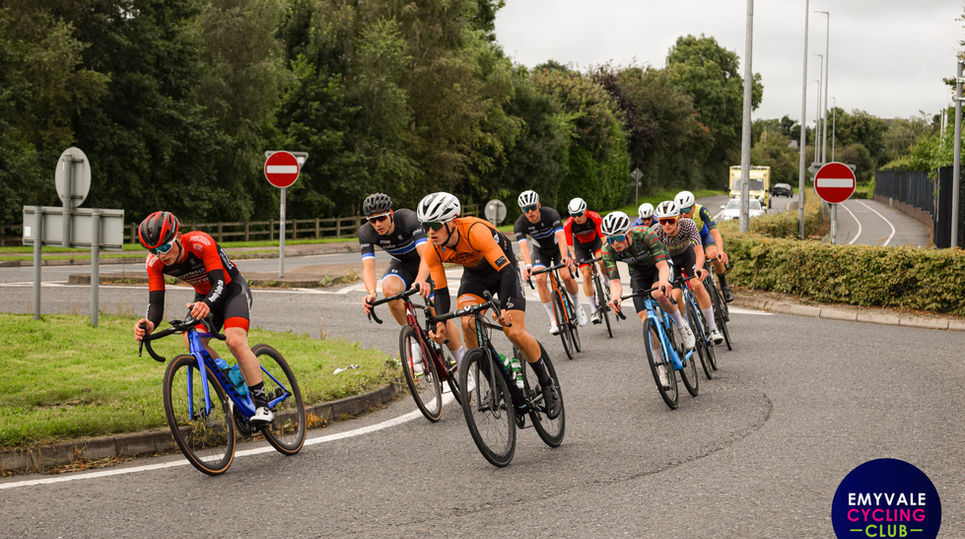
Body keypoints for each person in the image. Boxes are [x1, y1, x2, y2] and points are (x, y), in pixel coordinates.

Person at [412, 192, 561, 418]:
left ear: (453, 221)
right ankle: (496, 384)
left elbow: (507, 270)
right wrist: (440, 323)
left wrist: (504, 309)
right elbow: (440, 290)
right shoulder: (433, 248)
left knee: (514, 332)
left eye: (435, 225)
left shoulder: (475, 231)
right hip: (475, 277)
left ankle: (547, 383)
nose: (430, 232)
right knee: (467, 323)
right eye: (425, 226)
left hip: (504, 272)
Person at [132, 211, 274, 425]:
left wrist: (206, 304)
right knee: (191, 339)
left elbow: (219, 283)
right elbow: (156, 302)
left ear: (178, 238)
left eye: (165, 247)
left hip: (231, 290)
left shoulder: (200, 242)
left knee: (234, 340)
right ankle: (229, 380)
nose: (161, 255)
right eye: (154, 250)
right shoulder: (154, 262)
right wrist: (149, 323)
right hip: (204, 297)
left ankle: (262, 405)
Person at [357, 193, 465, 371]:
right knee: (389, 290)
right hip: (402, 265)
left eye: (381, 218)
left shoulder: (408, 219)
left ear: (391, 214)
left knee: (439, 315)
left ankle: (462, 364)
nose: (378, 224)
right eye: (372, 220)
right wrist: (371, 293)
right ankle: (414, 340)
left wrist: (421, 280)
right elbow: (368, 267)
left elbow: (426, 255)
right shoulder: (366, 232)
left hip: (426, 263)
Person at [599, 211, 680, 389]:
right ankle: (661, 368)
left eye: (618, 238)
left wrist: (664, 282)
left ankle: (682, 326)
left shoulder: (645, 234)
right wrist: (615, 297)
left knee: (658, 294)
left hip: (659, 267)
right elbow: (615, 281)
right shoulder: (607, 249)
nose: (615, 243)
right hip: (638, 275)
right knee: (645, 319)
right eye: (611, 240)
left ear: (628, 233)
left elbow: (662, 266)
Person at [650, 201, 724, 345]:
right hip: (670, 261)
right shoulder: (655, 231)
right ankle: (688, 328)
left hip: (688, 255)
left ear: (678, 218)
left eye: (670, 220)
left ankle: (713, 328)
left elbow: (699, 250)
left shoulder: (688, 224)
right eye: (663, 221)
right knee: (676, 295)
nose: (667, 225)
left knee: (697, 285)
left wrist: (699, 268)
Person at [513, 189, 586, 335]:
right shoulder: (520, 224)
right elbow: (523, 247)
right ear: (522, 210)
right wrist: (528, 266)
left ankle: (578, 307)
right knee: (540, 279)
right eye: (526, 209)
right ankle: (553, 319)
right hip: (541, 252)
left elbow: (561, 238)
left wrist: (565, 257)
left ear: (538, 205)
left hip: (557, 249)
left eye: (533, 207)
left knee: (566, 276)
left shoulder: (551, 214)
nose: (530, 212)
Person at [674, 191, 733, 302]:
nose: (683, 214)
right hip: (689, 242)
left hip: (704, 236)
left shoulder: (701, 210)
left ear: (693, 207)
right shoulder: (675, 217)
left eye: (686, 210)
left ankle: (724, 285)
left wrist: (720, 251)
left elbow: (715, 232)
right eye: (680, 211)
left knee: (713, 255)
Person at [562, 197, 607, 324]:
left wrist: (606, 251)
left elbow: (603, 237)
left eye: (579, 214)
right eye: (574, 215)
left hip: (596, 242)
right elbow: (570, 245)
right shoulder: (568, 224)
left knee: (602, 261)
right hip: (581, 247)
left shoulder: (595, 217)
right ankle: (593, 310)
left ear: (585, 211)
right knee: (586, 274)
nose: (577, 218)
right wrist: (574, 259)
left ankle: (607, 282)